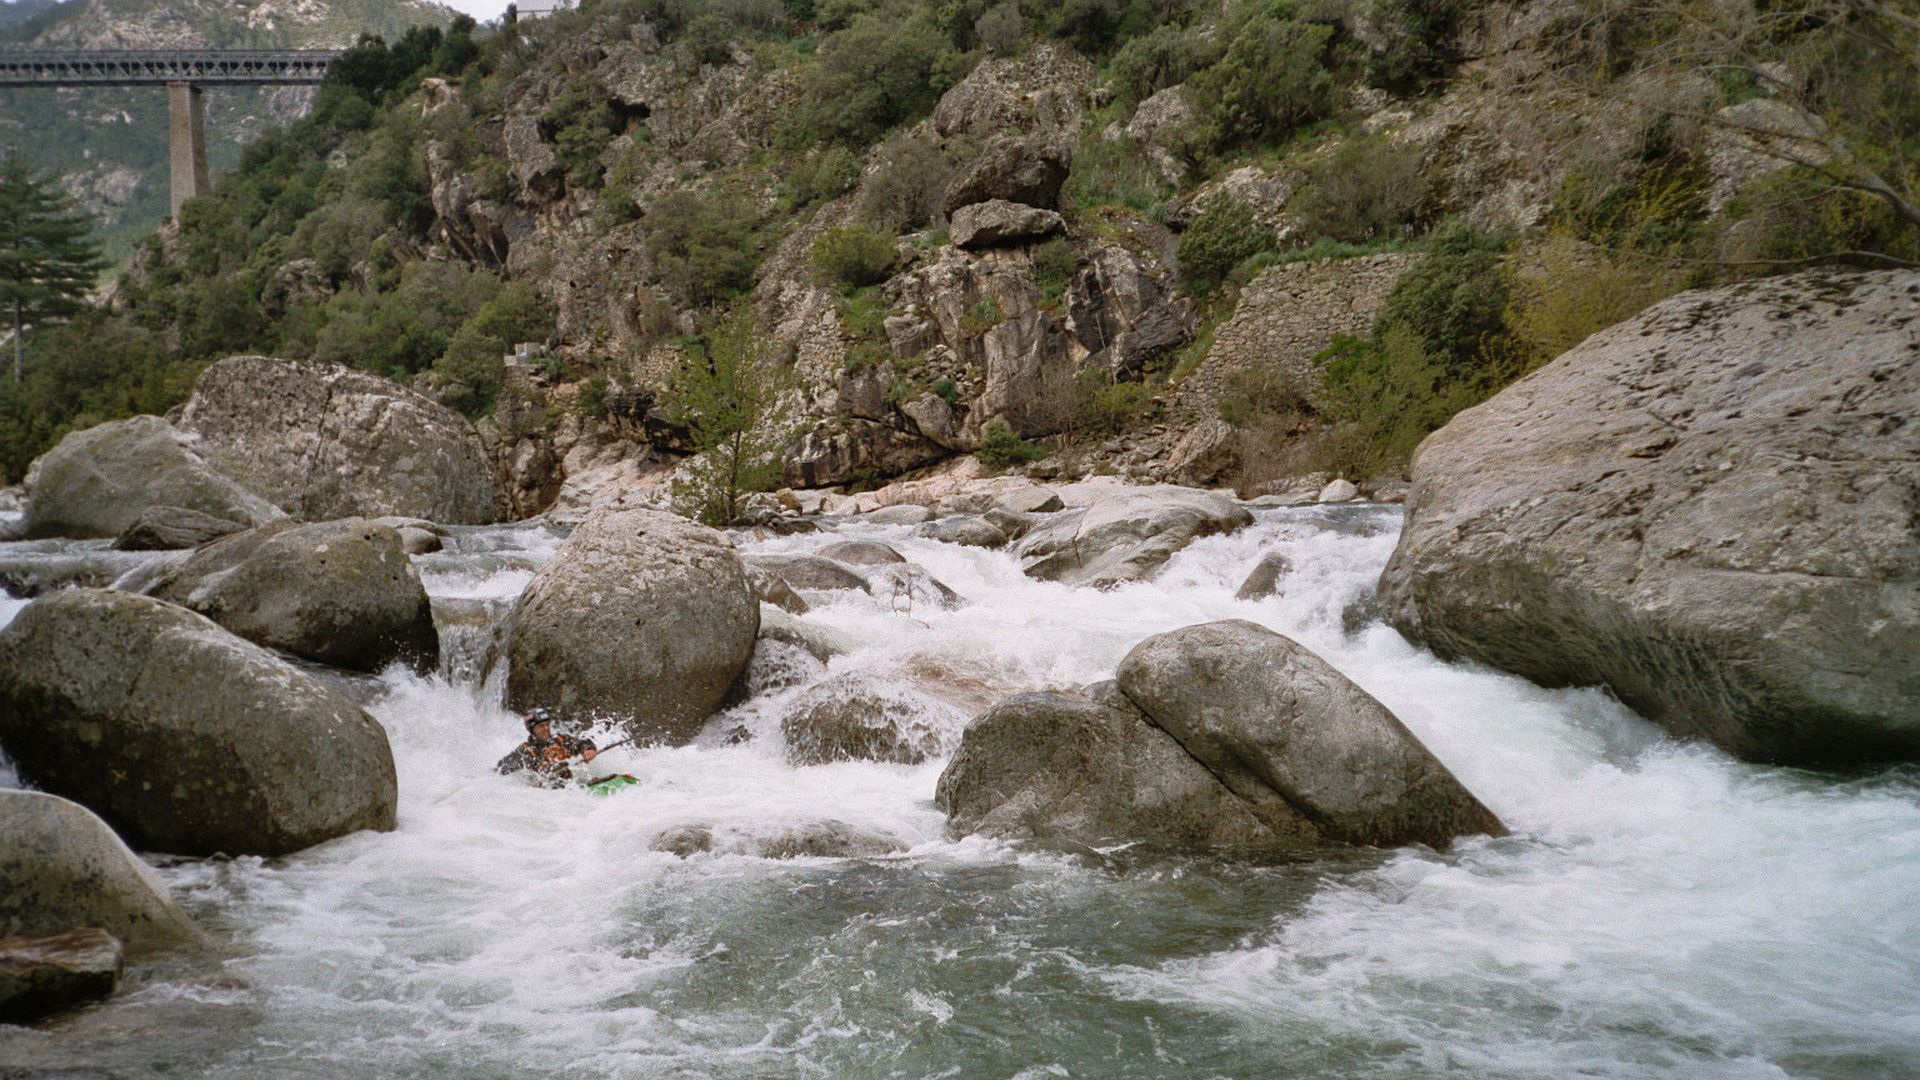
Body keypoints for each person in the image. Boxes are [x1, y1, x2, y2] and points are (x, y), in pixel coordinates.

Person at [496, 708, 598, 787]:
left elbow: (581, 743)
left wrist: (587, 749)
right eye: (541, 726)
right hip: (545, 793)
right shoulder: (524, 750)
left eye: (547, 724)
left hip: (568, 786)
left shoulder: (560, 740)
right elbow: (500, 769)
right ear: (532, 729)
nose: (546, 728)